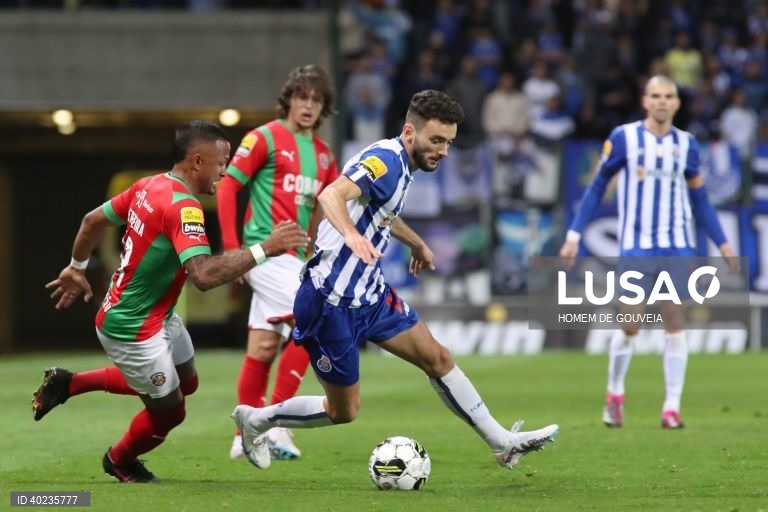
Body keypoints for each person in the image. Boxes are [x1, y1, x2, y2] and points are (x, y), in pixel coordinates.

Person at [231, 90, 559, 471]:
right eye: (436, 141)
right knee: (344, 411)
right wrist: (353, 237)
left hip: (369, 296)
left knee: (438, 358)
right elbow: (331, 195)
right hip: (329, 301)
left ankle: (502, 443)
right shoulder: (385, 160)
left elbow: (383, 210)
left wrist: (417, 243)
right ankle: (256, 420)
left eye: (449, 143)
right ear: (409, 132)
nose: (443, 151)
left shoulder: (403, 167)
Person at [32, 120, 309, 483]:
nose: (224, 172)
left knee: (186, 383)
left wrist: (76, 267)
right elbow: (205, 276)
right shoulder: (185, 208)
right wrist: (265, 249)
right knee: (171, 413)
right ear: (196, 161)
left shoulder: (148, 185)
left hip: (157, 316)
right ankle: (119, 460)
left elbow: (91, 221)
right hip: (132, 329)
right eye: (221, 162)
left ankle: (70, 383)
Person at [559, 76, 739, 429]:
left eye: (668, 96)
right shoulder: (624, 138)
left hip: (677, 245)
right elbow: (597, 187)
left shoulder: (687, 145)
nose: (661, 101)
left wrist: (723, 243)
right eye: (655, 95)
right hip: (636, 245)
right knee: (630, 324)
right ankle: (614, 395)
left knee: (675, 325)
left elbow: (699, 197)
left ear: (676, 104)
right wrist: (573, 234)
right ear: (645, 101)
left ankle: (671, 407)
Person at [216, 64, 339, 461]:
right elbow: (229, 185)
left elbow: (329, 207)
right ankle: (279, 424)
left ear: (323, 108)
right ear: (288, 100)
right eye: (301, 97)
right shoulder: (264, 137)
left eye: (315, 100)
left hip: (296, 261)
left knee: (265, 346)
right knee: (315, 324)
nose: (307, 106)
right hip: (264, 252)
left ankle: (242, 436)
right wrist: (234, 252)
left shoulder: (323, 156)